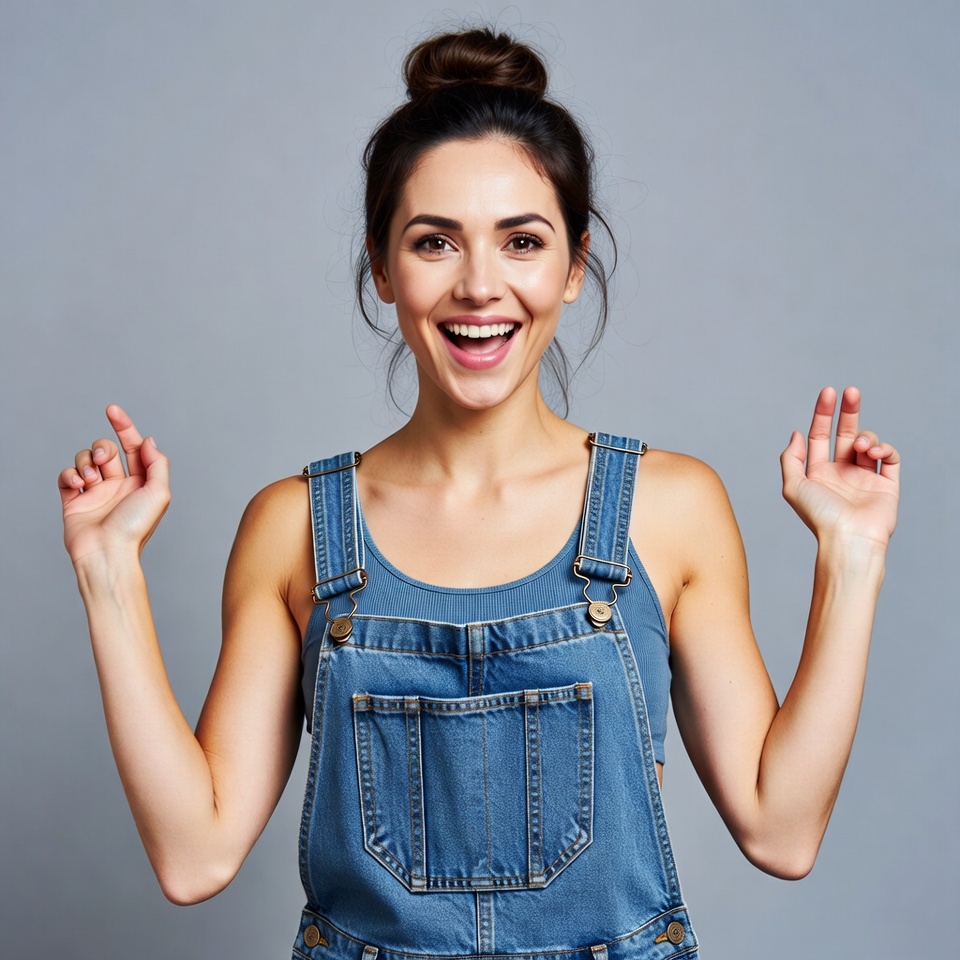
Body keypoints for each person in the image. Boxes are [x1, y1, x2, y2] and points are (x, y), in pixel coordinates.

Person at [58, 28, 900, 960]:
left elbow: (782, 832)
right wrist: (107, 572)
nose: (480, 286)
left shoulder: (670, 508)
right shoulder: (294, 529)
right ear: (383, 268)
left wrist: (851, 557)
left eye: (522, 242)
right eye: (434, 242)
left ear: (574, 267)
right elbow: (193, 856)